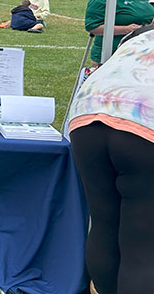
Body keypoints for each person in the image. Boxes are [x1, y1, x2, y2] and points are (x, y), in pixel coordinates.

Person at [66, 27, 154, 294]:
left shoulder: (141, 34)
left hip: (89, 113)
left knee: (105, 225)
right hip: (143, 123)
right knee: (143, 245)